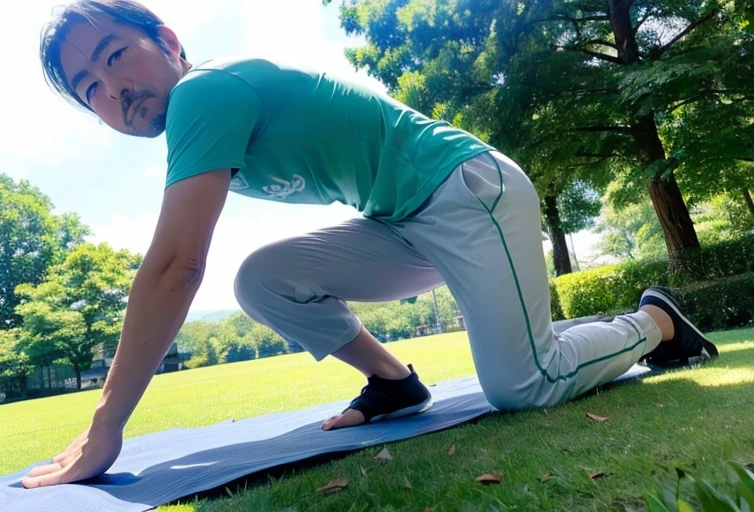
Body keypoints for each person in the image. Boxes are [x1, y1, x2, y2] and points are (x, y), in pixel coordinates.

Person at [24, 0, 718, 489]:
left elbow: (177, 265)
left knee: (522, 384)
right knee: (262, 278)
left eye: (117, 57)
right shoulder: (200, 128)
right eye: (91, 89)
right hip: (402, 221)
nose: (114, 88)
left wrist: (104, 424)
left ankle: (654, 324)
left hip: (466, 189)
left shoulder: (205, 92)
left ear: (169, 39)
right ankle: (394, 382)